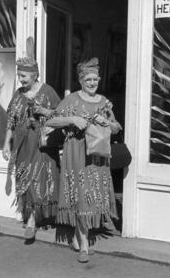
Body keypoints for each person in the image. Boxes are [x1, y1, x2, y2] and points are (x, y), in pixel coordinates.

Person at [45, 57, 121, 263]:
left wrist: (107, 122)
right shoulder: (71, 100)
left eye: (95, 79)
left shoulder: (104, 101)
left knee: (91, 196)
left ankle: (79, 238)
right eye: (88, 79)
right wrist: (72, 119)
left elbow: (116, 128)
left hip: (96, 156)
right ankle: (84, 245)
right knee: (80, 195)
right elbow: (50, 119)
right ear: (80, 80)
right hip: (76, 154)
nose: (92, 83)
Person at [2, 57, 61, 240]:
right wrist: (6, 144)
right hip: (22, 144)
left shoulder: (47, 91)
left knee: (38, 179)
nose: (21, 79)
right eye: (19, 75)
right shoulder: (18, 94)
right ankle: (35, 216)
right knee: (25, 179)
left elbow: (62, 115)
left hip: (41, 144)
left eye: (25, 75)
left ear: (35, 74)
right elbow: (11, 122)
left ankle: (32, 222)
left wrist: (43, 112)